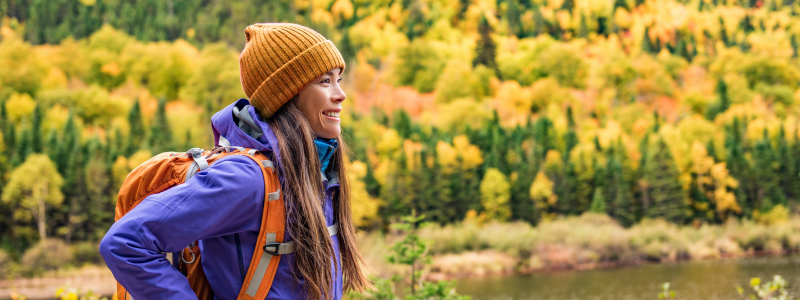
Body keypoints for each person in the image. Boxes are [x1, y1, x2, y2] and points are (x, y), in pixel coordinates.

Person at [100, 23, 371, 300]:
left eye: (338, 79)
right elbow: (125, 243)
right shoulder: (245, 179)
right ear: (286, 95)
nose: (341, 94)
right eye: (325, 81)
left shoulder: (317, 171)